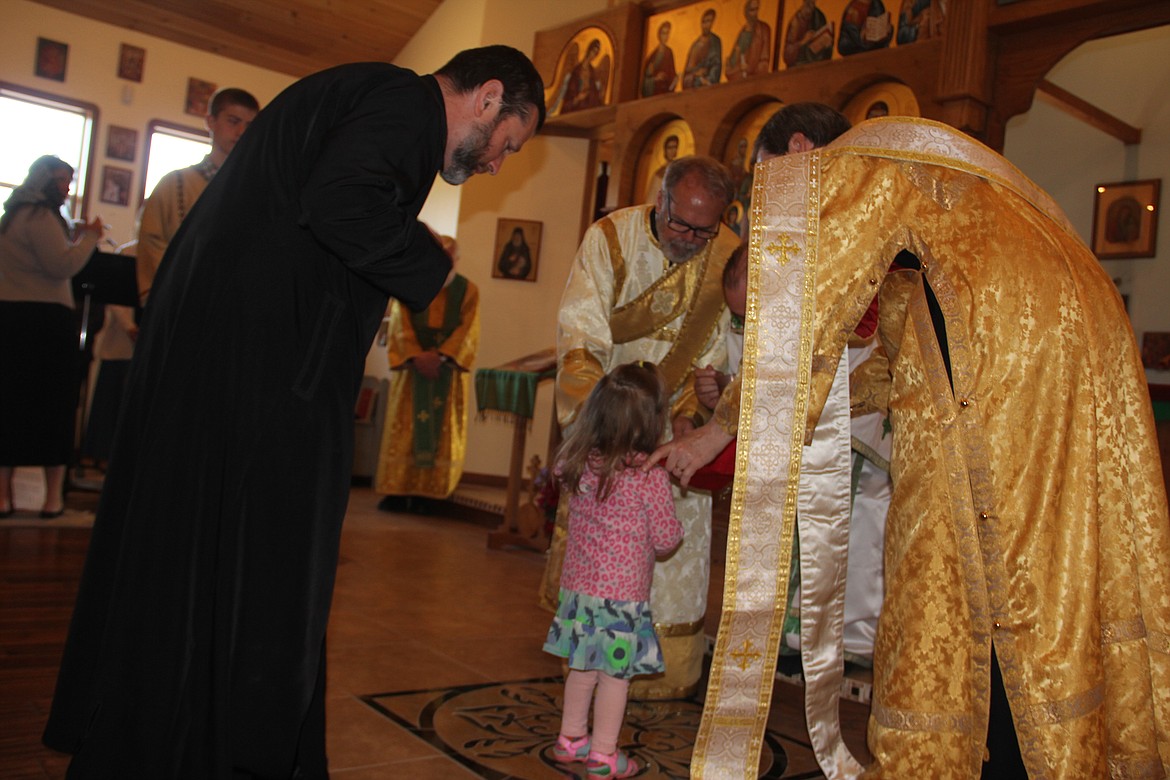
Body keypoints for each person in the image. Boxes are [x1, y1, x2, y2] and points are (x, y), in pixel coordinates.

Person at [42, 45, 545, 776]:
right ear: (489, 97)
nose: (500, 162)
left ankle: (173, 738)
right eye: (509, 143)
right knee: (269, 572)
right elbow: (339, 199)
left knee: (196, 557)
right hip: (258, 369)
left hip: (228, 354)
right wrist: (430, 262)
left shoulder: (366, 91)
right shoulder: (404, 106)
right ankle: (234, 751)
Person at [652, 115, 1170, 778]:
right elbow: (880, 374)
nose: (778, 204)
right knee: (1041, 568)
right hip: (1075, 330)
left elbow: (805, 317)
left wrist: (717, 427)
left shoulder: (862, 163)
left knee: (946, 555)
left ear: (805, 151)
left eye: (774, 178)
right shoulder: (947, 201)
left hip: (1005, 347)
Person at [543, 155, 738, 701]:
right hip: (611, 424)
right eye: (681, 224)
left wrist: (696, 416)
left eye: (706, 229)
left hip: (676, 438)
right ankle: (586, 665)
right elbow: (582, 335)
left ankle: (671, 667)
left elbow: (720, 347)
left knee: (676, 548)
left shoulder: (728, 256)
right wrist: (606, 427)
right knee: (597, 555)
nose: (692, 238)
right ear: (662, 201)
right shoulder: (610, 238)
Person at [544, 361, 683, 779]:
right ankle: (604, 755)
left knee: (582, 668)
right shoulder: (648, 480)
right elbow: (666, 540)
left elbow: (557, 471)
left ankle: (570, 739)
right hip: (621, 602)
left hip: (579, 594)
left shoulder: (584, 464)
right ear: (652, 422)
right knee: (615, 678)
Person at [0, 156, 104, 518]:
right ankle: (52, 498)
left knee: (10, 407)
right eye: (61, 180)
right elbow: (62, 265)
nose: (66, 187)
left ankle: (4, 496)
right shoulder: (40, 216)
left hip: (12, 319)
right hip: (42, 323)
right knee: (52, 409)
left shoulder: (13, 215)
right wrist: (90, 236)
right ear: (43, 181)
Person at [375, 235, 479, 510]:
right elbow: (399, 322)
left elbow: (468, 330)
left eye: (449, 258)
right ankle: (397, 491)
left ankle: (433, 495)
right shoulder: (410, 281)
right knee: (406, 430)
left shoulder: (468, 291)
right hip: (413, 370)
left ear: (456, 260)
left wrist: (441, 356)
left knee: (440, 433)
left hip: (445, 372)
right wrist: (418, 356)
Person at [135, 87, 260, 304]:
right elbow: (151, 244)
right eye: (233, 121)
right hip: (179, 303)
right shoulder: (174, 184)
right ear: (210, 121)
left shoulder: (256, 192)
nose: (241, 132)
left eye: (249, 126)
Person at [725, 0, 773, 81]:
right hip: (739, 73)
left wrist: (749, 68)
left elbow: (764, 59)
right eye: (752, 10)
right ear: (746, 12)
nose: (755, 13)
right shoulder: (742, 32)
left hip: (755, 74)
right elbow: (733, 60)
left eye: (757, 9)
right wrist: (733, 61)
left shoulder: (763, 29)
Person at [783, 0, 835, 67]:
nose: (810, 4)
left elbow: (826, 53)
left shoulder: (819, 16)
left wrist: (828, 44)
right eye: (808, 2)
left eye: (812, 2)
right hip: (799, 67)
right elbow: (787, 55)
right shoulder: (796, 22)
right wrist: (803, 42)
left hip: (818, 64)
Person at [681, 8, 722, 89]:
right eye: (703, 21)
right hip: (694, 80)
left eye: (708, 21)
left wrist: (710, 79)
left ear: (712, 22)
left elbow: (717, 64)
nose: (705, 25)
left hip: (708, 81)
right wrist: (696, 73)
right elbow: (688, 70)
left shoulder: (715, 41)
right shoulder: (695, 45)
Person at [640, 21, 678, 97]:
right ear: (659, 34)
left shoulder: (669, 52)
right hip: (655, 92)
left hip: (666, 91)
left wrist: (675, 79)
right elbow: (645, 81)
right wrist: (656, 79)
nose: (666, 36)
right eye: (663, 33)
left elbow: (672, 74)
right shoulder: (652, 56)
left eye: (667, 33)